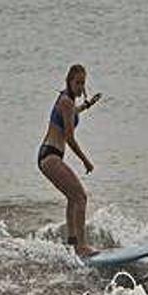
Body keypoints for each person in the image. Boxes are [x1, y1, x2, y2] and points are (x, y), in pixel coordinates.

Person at [37, 64, 102, 257]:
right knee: (81, 197)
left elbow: (71, 115)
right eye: (77, 82)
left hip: (48, 156)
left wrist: (86, 106)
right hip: (50, 156)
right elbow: (69, 137)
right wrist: (85, 161)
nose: (81, 87)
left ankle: (72, 243)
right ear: (69, 81)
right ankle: (81, 247)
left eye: (83, 83)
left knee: (72, 198)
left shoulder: (68, 101)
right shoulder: (66, 101)